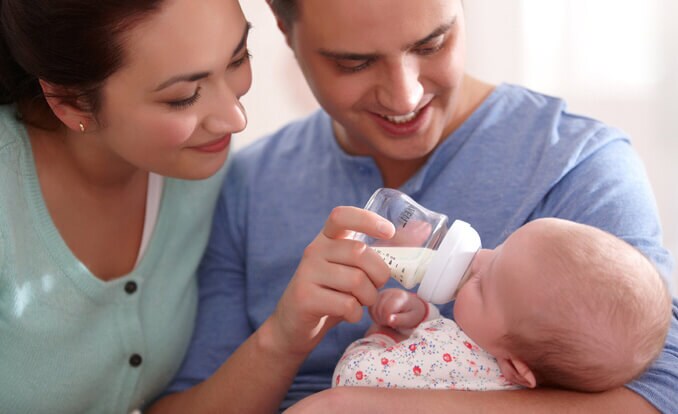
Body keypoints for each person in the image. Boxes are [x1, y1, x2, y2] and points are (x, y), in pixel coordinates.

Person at [162, 0, 678, 412]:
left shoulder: (576, 162)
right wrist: (281, 339)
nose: (405, 95)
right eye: (355, 62)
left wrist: (352, 406)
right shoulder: (249, 183)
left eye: (433, 43)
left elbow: (661, 393)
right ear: (284, 26)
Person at [0, 0, 251, 412]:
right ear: (71, 101)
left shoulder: (199, 162)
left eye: (239, 58)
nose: (235, 118)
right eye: (184, 97)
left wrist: (286, 334)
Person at [334, 218, 672, 393]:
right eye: (499, 249)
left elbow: (351, 378)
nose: (478, 257)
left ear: (514, 367)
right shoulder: (497, 363)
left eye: (481, 285)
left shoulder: (452, 355)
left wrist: (380, 335)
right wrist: (422, 316)